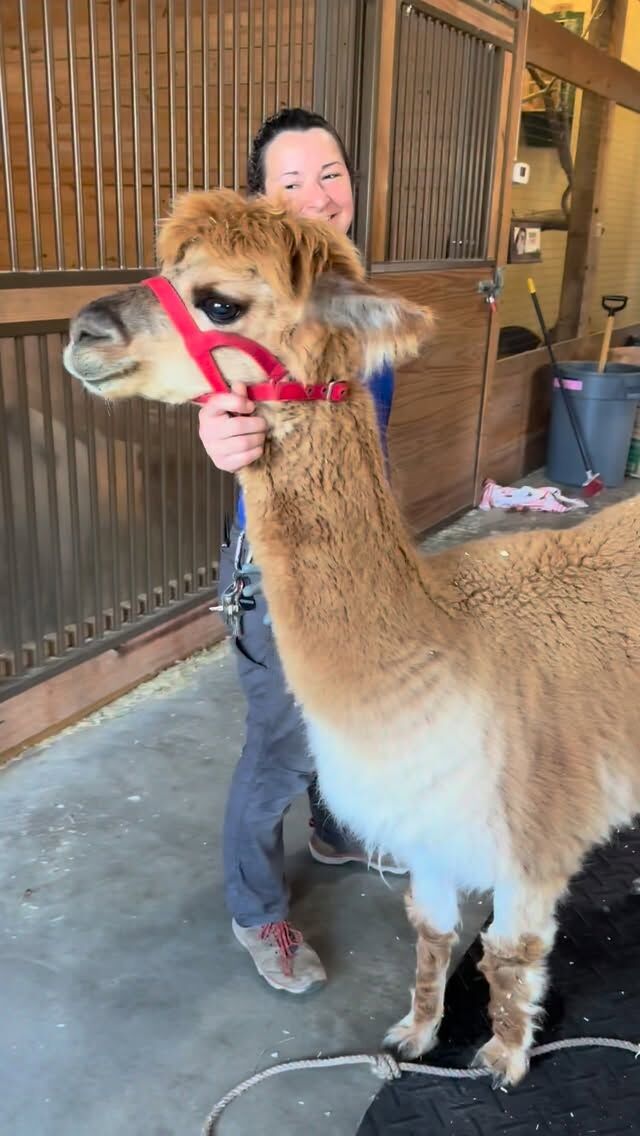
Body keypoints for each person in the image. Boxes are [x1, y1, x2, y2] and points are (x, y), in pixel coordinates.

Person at [198, 108, 405, 995]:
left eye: (331, 174)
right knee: (280, 742)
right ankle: (257, 911)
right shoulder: (243, 298)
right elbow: (208, 380)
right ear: (262, 201)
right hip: (277, 564)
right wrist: (218, 427)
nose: (318, 196)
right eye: (291, 182)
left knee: (350, 711)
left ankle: (331, 830)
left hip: (355, 550)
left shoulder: (353, 293)